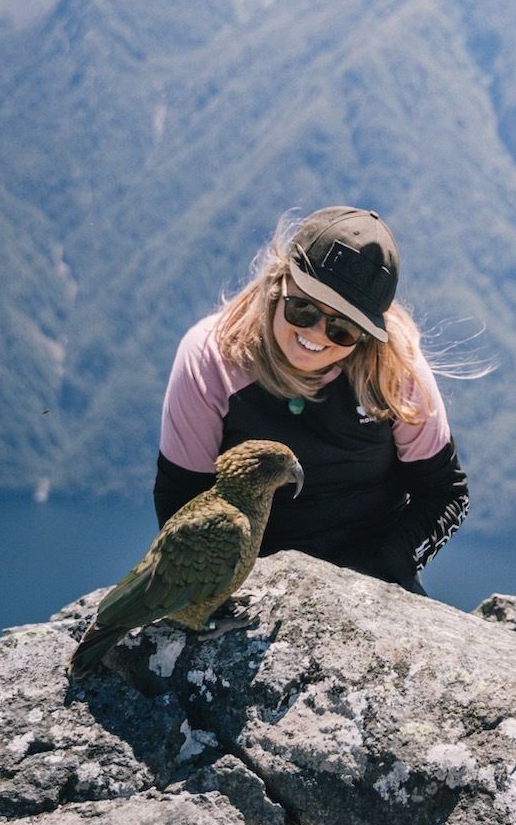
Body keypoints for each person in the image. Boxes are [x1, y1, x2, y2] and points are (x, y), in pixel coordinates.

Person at [153, 206, 470, 594]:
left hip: (373, 581)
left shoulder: (395, 371)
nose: (317, 335)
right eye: (303, 308)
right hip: (244, 586)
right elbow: (182, 501)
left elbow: (445, 494)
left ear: (368, 333)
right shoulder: (214, 359)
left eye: (342, 329)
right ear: (279, 282)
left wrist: (374, 574)